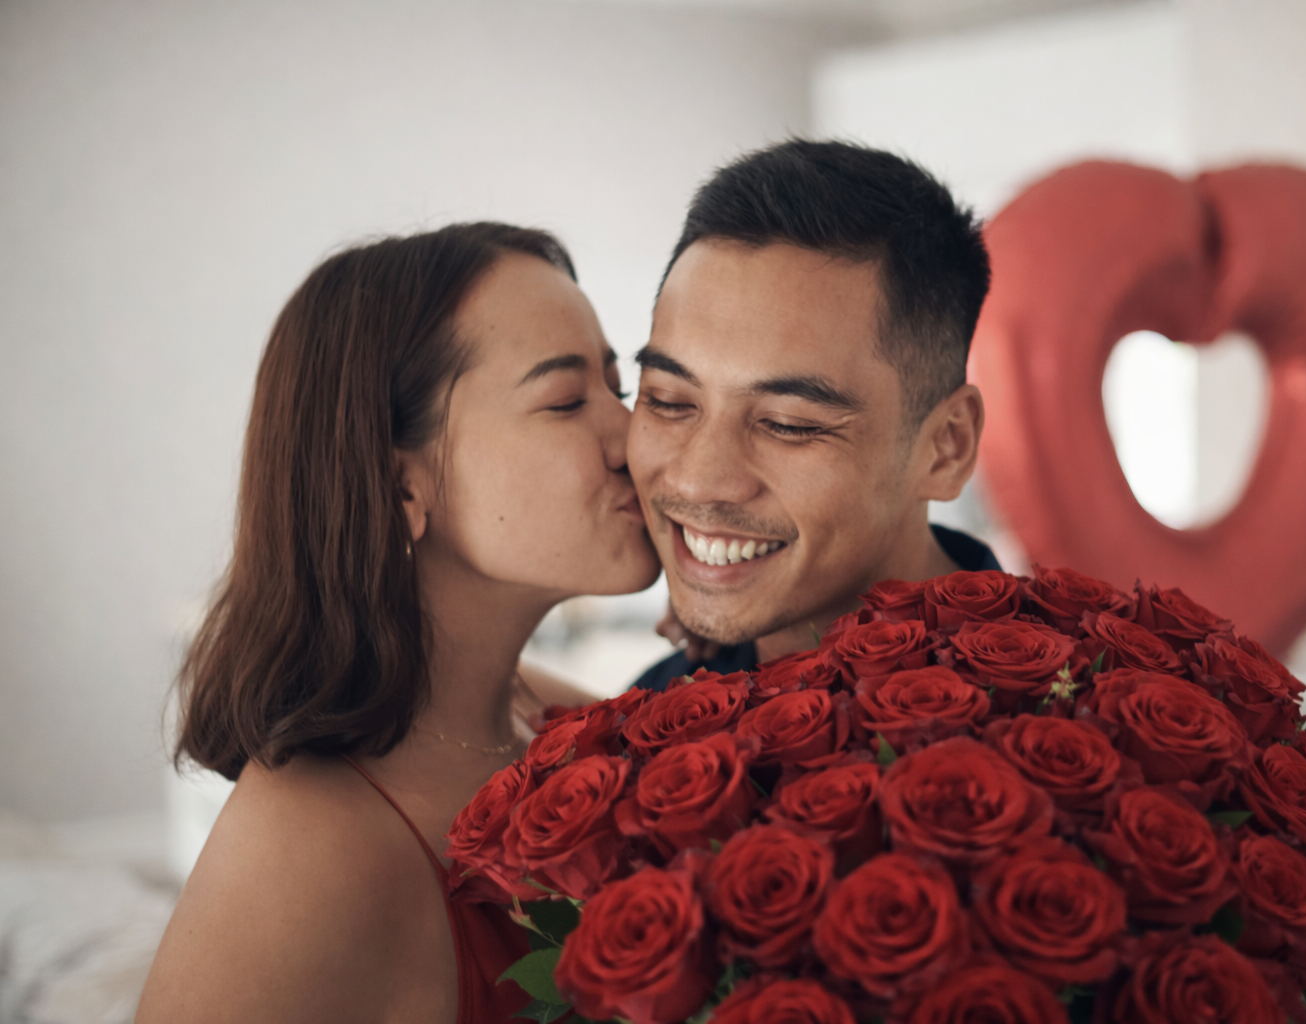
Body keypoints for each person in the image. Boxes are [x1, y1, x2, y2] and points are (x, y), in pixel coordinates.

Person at [137, 224, 659, 1023]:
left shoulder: (554, 716)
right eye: (564, 400)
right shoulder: (306, 852)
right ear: (397, 484)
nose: (632, 437)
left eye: (617, 387)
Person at [629, 139, 996, 692]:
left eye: (788, 425)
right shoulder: (653, 706)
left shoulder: (1088, 715)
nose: (698, 481)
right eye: (669, 402)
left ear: (947, 446)